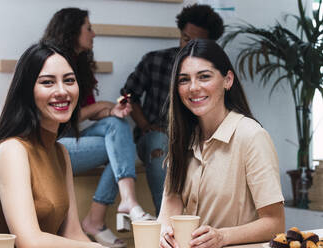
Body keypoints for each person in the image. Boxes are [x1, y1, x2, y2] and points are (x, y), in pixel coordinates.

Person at [0, 42, 107, 248]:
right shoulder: (11, 151)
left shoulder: (61, 153)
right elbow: (29, 241)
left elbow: (73, 234)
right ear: (27, 91)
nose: (62, 91)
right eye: (48, 82)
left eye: (69, 80)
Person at [41, 8, 153, 248]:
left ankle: (119, 207)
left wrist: (113, 110)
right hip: (51, 143)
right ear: (71, 31)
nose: (94, 34)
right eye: (88, 28)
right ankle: (103, 216)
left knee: (117, 125)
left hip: (75, 137)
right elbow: (61, 118)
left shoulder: (81, 66)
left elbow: (87, 115)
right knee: (120, 145)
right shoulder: (48, 63)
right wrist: (104, 106)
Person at [158, 39, 285, 248]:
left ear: (228, 80)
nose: (193, 88)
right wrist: (164, 233)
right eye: (184, 80)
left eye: (204, 77)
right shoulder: (182, 141)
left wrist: (222, 236)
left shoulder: (252, 136)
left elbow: (275, 223)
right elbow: (167, 215)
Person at [121, 4, 224, 215]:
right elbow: (127, 95)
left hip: (193, 139)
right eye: (185, 38)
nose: (187, 46)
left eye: (196, 43)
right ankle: (167, 227)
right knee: (159, 147)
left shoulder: (214, 72)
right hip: (155, 138)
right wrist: (144, 125)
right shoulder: (155, 60)